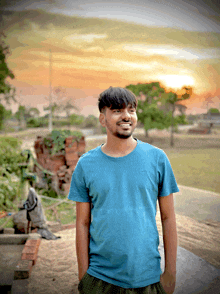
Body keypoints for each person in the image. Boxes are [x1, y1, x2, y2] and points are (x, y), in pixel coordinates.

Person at [68, 87, 179, 294]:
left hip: (148, 277)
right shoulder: (86, 165)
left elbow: (168, 217)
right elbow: (82, 223)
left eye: (131, 110)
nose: (126, 115)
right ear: (103, 119)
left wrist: (170, 272)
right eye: (117, 110)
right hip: (100, 278)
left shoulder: (157, 158)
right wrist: (83, 275)